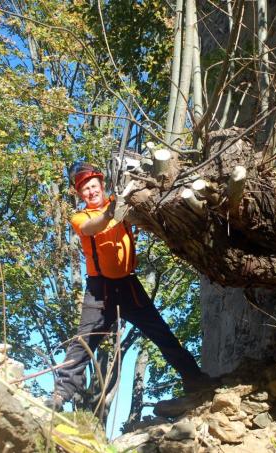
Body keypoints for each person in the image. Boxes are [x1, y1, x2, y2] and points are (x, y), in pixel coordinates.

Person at [45, 162, 215, 411]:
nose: (91, 192)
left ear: (101, 185)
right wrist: (109, 213)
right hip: (99, 291)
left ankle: (196, 381)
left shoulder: (120, 202)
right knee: (83, 342)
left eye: (93, 186)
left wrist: (127, 198)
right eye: (85, 190)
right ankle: (60, 395)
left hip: (128, 285)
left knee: (161, 333)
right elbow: (91, 228)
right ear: (80, 194)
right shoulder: (81, 217)